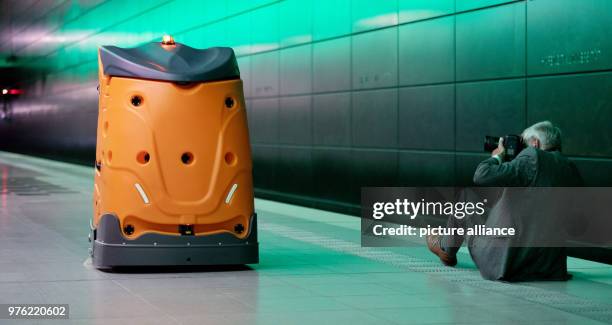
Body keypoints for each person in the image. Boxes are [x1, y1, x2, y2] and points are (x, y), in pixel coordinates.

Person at [426, 121, 583, 281]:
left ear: (535, 143)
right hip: (549, 268)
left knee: (466, 198)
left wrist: (497, 157)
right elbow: (577, 226)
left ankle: (446, 248)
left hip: (506, 263)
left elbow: (482, 175)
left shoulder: (533, 157)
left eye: (524, 144)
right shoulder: (570, 168)